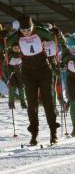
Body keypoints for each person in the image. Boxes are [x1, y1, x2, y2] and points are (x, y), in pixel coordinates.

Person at [6, 15, 63, 145]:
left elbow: (57, 39)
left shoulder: (40, 32)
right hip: (28, 74)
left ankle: (53, 133)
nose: (26, 33)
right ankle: (34, 135)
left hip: (44, 71)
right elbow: (4, 43)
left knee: (48, 102)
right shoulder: (17, 35)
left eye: (28, 29)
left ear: (32, 26)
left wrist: (57, 33)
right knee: (32, 105)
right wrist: (2, 35)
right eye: (23, 30)